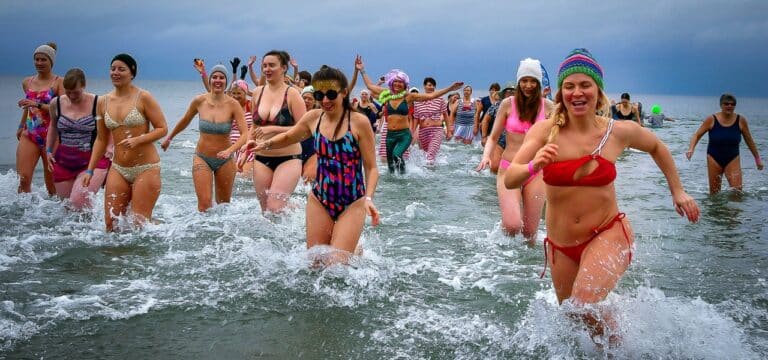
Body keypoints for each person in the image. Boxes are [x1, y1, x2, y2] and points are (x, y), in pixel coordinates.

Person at [504, 49, 700, 344]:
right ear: (561, 92)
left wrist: (678, 190)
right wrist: (535, 165)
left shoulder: (618, 132)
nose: (577, 92)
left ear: (598, 91)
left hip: (607, 232)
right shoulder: (545, 132)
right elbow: (511, 177)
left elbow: (657, 147)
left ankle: (621, 348)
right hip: (561, 246)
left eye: (585, 85)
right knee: (574, 319)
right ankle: (616, 341)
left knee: (582, 306)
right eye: (569, 86)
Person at [247, 65, 380, 266]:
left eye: (331, 94)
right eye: (319, 94)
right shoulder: (313, 118)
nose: (325, 100)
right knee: (315, 263)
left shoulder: (359, 122)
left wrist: (369, 198)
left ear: (344, 92)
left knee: (335, 266)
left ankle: (354, 248)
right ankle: (349, 246)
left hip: (353, 201)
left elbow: (371, 168)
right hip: (320, 198)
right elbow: (289, 136)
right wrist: (262, 144)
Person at [83, 54, 168, 232]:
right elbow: (101, 138)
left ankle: (156, 235)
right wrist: (90, 170)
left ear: (132, 73)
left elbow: (162, 128)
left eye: (121, 69)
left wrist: (139, 139)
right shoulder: (102, 101)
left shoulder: (143, 97)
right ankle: (113, 259)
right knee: (110, 225)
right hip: (118, 168)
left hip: (146, 167)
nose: (116, 72)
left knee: (139, 226)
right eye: (113, 68)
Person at [477, 58, 554, 242]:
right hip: (509, 168)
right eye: (524, 80)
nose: (528, 85)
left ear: (539, 83)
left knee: (529, 234)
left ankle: (525, 268)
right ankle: (501, 253)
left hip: (536, 171)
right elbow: (494, 137)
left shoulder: (549, 107)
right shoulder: (507, 104)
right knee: (512, 225)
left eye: (533, 80)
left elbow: (563, 136)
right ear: (519, 82)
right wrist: (486, 156)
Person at [355, 55, 462, 173]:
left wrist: (450, 88)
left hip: (403, 135)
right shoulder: (387, 93)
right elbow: (370, 86)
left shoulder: (409, 97)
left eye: (400, 82)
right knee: (390, 166)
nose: (397, 84)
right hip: (390, 135)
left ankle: (403, 177)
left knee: (397, 155)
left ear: (405, 84)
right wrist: (362, 70)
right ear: (391, 83)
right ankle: (397, 184)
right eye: (395, 82)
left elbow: (431, 95)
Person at [161, 65, 248, 211]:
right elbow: (185, 120)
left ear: (226, 81)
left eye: (221, 78)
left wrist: (230, 150)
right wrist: (170, 138)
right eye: (214, 77)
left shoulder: (233, 104)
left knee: (224, 206)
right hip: (202, 157)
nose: (217, 80)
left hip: (225, 160)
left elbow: (245, 133)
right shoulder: (199, 101)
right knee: (204, 205)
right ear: (210, 79)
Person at [246, 50, 307, 213]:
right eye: (264, 66)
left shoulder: (293, 94)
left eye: (272, 65)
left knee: (274, 207)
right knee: (265, 210)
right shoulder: (257, 92)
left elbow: (305, 130)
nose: (267, 69)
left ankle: (295, 215)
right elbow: (253, 126)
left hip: (288, 158)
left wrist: (273, 128)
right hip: (261, 158)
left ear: (284, 68)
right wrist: (246, 147)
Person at [45, 68, 111, 209]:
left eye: (76, 92)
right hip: (64, 161)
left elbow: (108, 127)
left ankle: (96, 230)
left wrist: (110, 147)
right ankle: (80, 231)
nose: (72, 96)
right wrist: (49, 150)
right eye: (68, 92)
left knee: (79, 201)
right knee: (68, 208)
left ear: (84, 85)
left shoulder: (98, 102)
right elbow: (53, 127)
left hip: (93, 160)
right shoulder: (56, 103)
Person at [686, 94, 763, 194]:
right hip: (714, 158)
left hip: (733, 158)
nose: (729, 106)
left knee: (737, 192)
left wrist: (757, 159)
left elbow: (749, 140)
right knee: (714, 194)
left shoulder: (741, 120)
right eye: (726, 104)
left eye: (732, 104)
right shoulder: (711, 119)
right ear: (721, 105)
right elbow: (696, 135)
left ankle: (733, 209)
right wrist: (691, 149)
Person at [16, 42, 63, 195]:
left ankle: (53, 215)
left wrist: (37, 104)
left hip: (52, 136)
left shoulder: (59, 82)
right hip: (30, 134)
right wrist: (21, 125)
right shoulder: (27, 82)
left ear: (51, 62)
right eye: (37, 59)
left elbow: (63, 109)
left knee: (52, 185)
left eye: (43, 60)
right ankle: (24, 216)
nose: (39, 63)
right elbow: (28, 107)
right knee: (23, 179)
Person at [412, 77, 449, 166]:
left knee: (430, 155)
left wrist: (449, 130)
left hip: (436, 130)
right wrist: (412, 133)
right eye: (429, 85)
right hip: (423, 131)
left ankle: (429, 176)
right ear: (424, 86)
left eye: (433, 86)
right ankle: (430, 174)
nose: (431, 87)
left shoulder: (440, 99)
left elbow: (445, 114)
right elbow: (416, 119)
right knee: (425, 155)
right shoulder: (418, 101)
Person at [481, 82, 514, 173]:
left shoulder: (522, 106)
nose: (511, 93)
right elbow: (485, 120)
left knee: (511, 166)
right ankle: (494, 185)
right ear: (504, 93)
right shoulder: (498, 105)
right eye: (509, 91)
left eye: (513, 91)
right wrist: (484, 137)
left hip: (515, 139)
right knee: (495, 167)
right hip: (499, 138)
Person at [228, 79, 255, 177]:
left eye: (239, 93)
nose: (236, 96)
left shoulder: (251, 105)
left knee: (243, 177)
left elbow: (256, 125)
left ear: (245, 92)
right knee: (231, 177)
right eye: (233, 93)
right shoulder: (229, 107)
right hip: (231, 146)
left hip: (247, 145)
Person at [300, 85, 318, 183]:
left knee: (308, 179)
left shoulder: (318, 115)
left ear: (315, 101)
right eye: (304, 98)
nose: (306, 101)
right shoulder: (293, 114)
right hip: (296, 152)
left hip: (313, 152)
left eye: (310, 99)